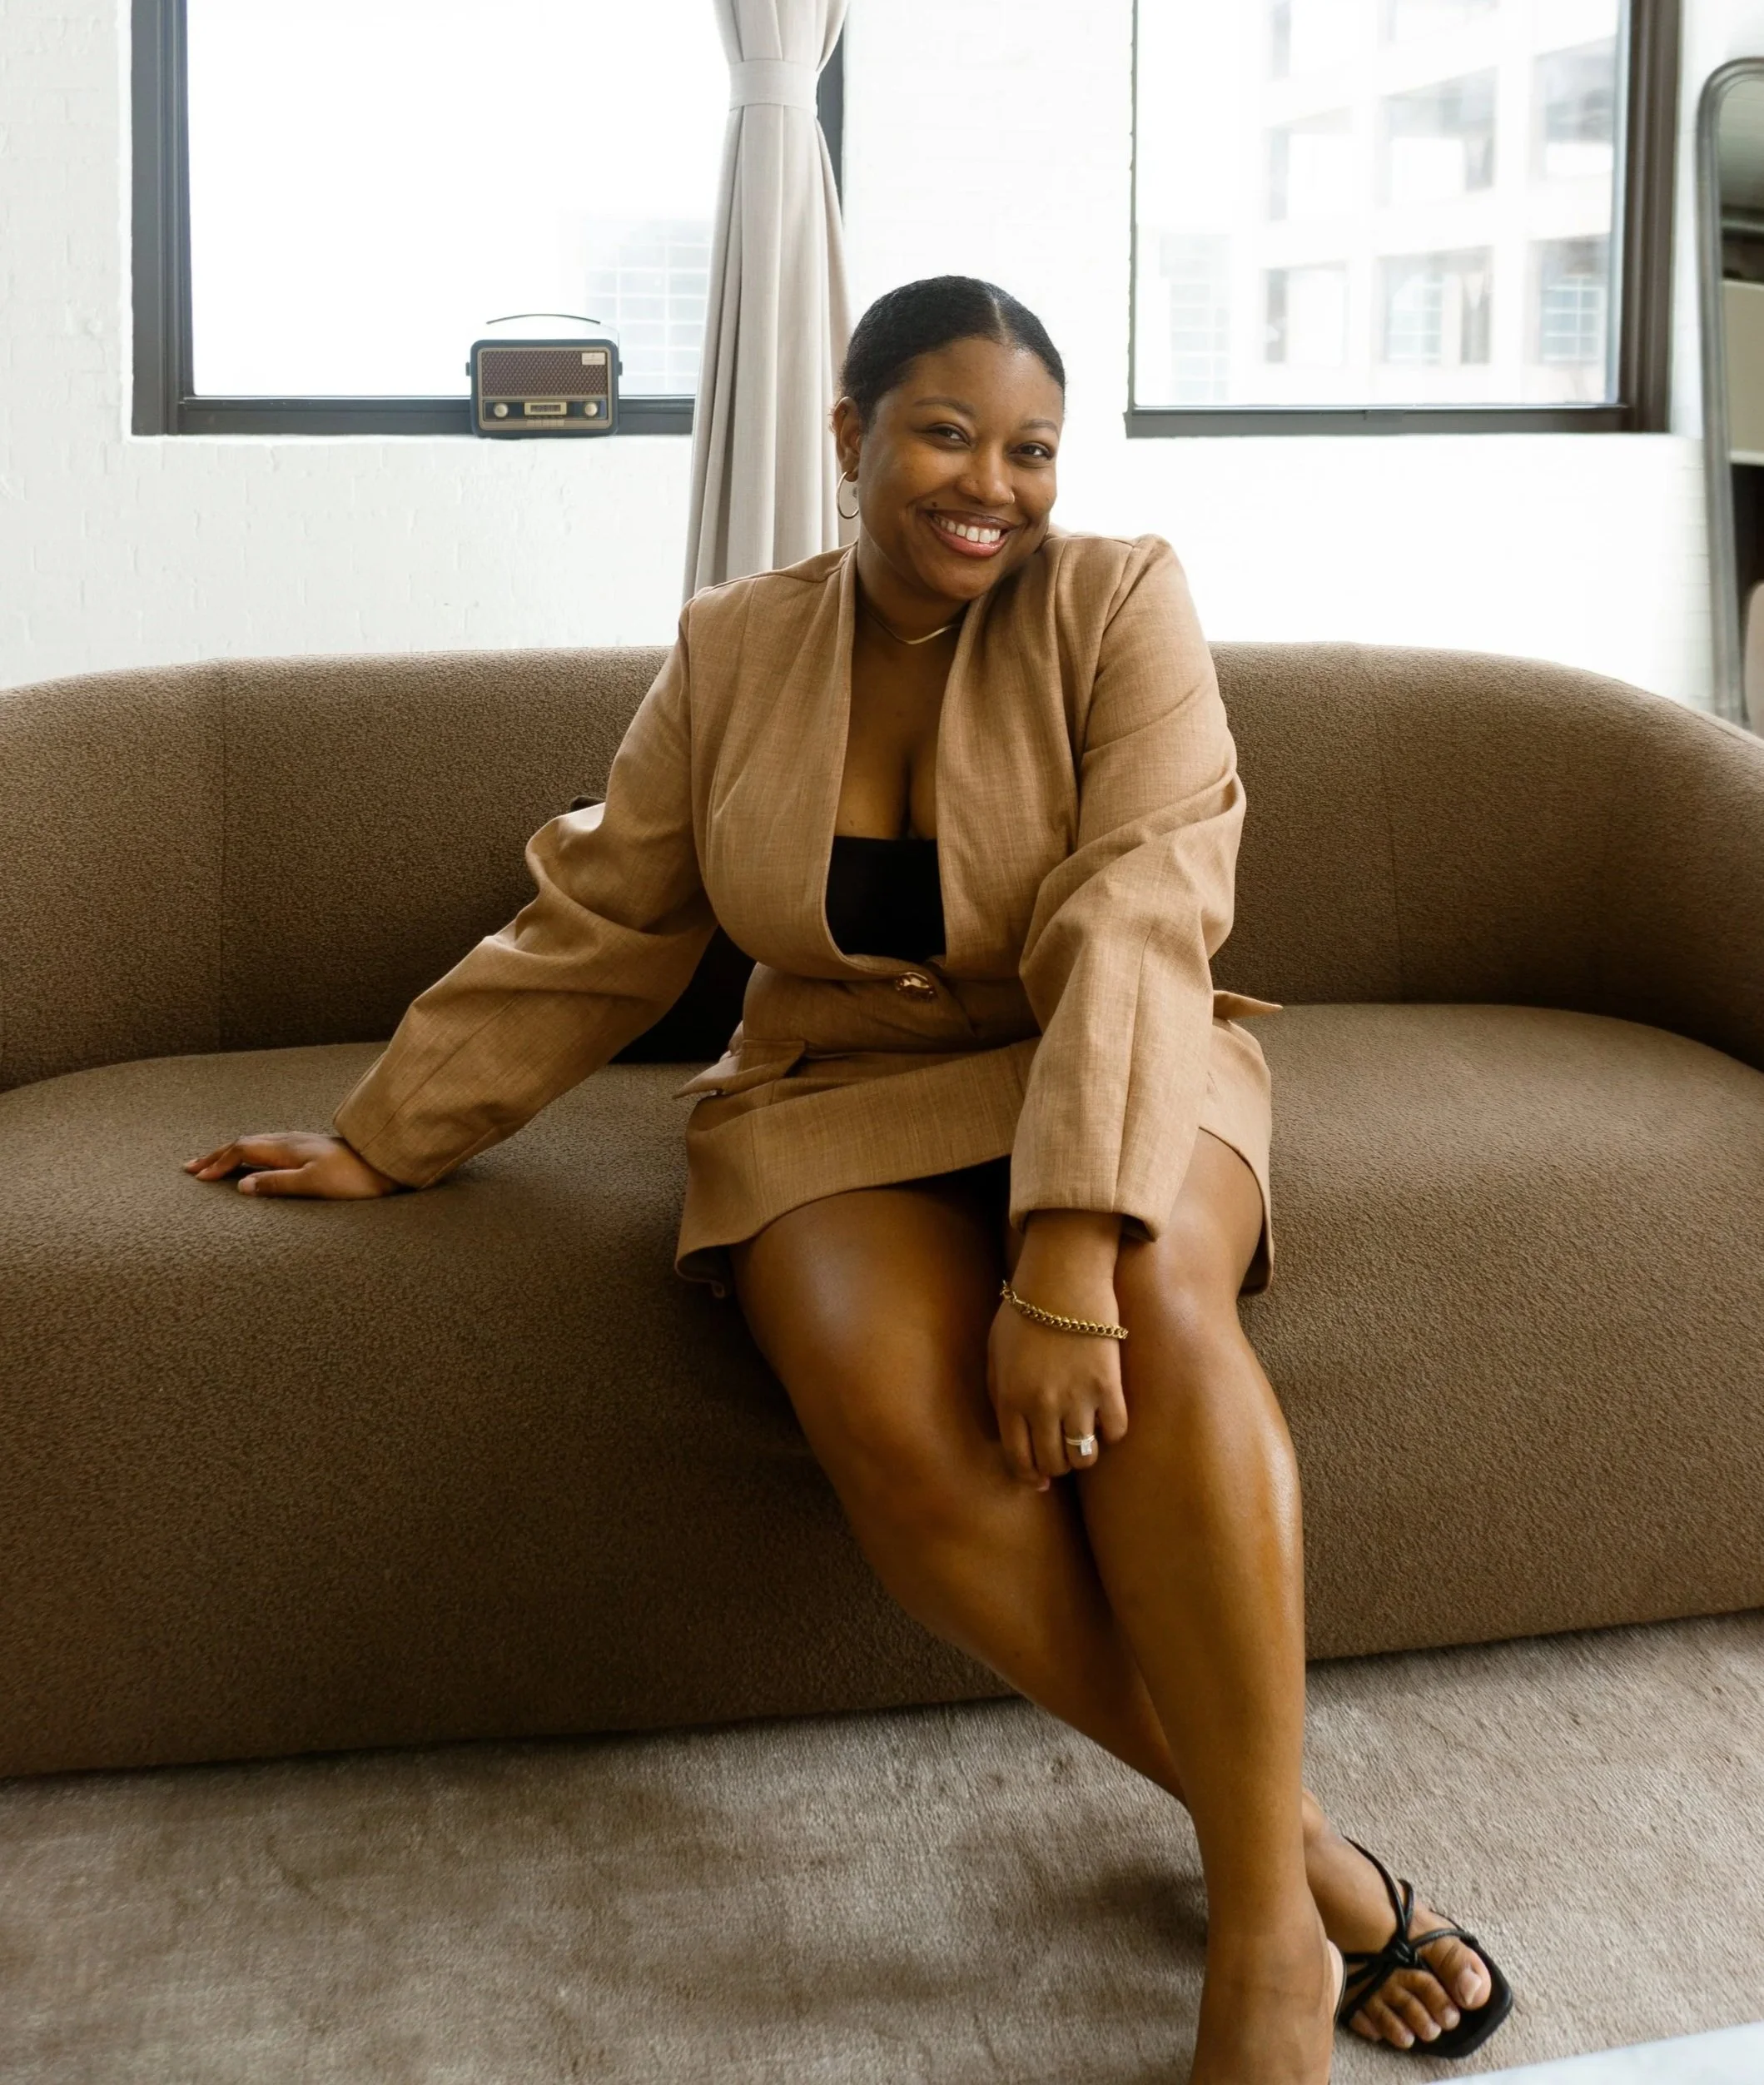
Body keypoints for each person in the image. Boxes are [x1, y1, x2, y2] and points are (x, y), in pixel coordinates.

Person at [184, 276, 1511, 2083]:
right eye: (948, 435)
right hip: (835, 1086)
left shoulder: (1120, 598)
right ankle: (1301, 1861)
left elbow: (1141, 914)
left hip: (1108, 1052)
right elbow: (608, 913)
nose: (993, 486)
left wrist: (1062, 1261)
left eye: (1032, 449)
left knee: (1160, 1311)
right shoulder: (734, 645)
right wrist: (388, 1130)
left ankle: (1264, 1945)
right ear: (850, 435)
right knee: (899, 1433)